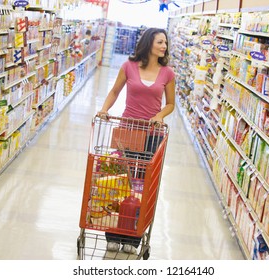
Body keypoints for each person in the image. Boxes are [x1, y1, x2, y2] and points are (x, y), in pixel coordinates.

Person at [98, 27, 175, 254]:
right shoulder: (128, 67)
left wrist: (159, 115)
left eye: (165, 43)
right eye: (160, 42)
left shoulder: (167, 73)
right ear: (148, 43)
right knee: (121, 183)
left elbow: (170, 103)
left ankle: (133, 238)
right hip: (128, 132)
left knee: (143, 187)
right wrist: (104, 110)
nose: (164, 46)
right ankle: (113, 234)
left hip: (152, 136)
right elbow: (114, 92)